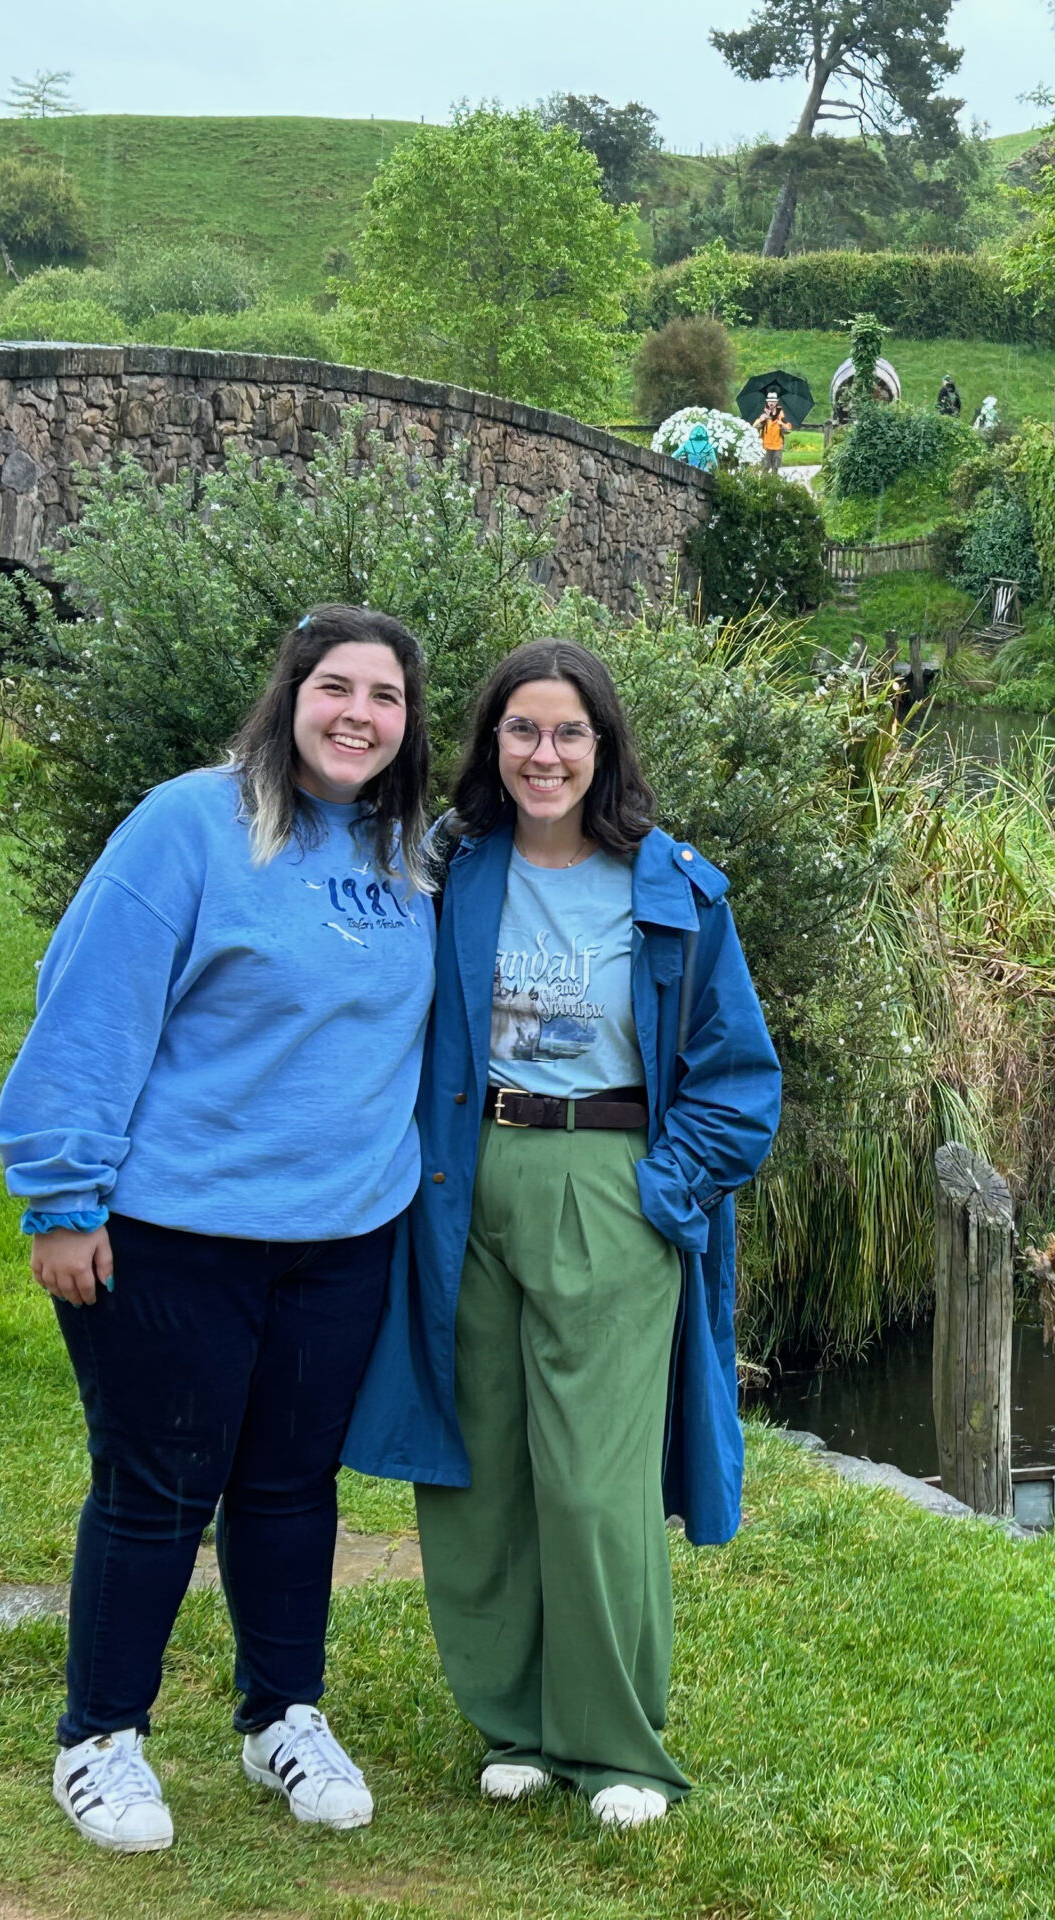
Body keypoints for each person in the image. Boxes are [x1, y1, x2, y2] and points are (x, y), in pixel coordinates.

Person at [0, 605, 438, 1854]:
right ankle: (102, 1741)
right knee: (155, 1488)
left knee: (292, 1489)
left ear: (409, 723)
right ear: (291, 694)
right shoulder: (190, 823)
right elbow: (89, 1009)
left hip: (344, 1238)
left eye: (386, 697)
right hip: (174, 1232)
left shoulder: (415, 854)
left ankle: (283, 1716)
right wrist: (63, 1199)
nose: (359, 714)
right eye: (336, 687)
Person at [344, 639, 781, 1831]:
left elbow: (739, 1080)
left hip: (608, 1181)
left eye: (568, 733)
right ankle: (517, 1721)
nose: (545, 754)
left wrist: (666, 1191)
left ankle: (616, 1743)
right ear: (492, 745)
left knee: (594, 1481)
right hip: (467, 1180)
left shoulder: (672, 887)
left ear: (603, 749)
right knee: (481, 1466)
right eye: (522, 731)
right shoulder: (453, 872)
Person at [758, 391, 787, 473]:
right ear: (767, 402)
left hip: (778, 446)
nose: (771, 403)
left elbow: (787, 430)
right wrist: (762, 421)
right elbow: (755, 428)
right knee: (765, 467)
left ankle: (774, 484)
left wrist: (781, 425)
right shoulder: (762, 415)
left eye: (773, 401)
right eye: (770, 401)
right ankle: (764, 484)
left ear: (776, 402)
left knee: (775, 467)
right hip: (765, 446)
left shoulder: (782, 415)